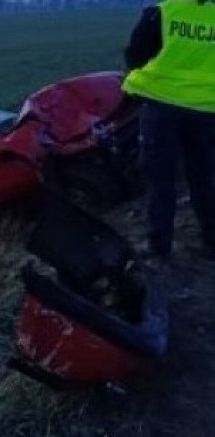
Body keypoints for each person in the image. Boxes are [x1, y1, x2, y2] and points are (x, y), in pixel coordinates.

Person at [123, 0, 215, 261]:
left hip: (163, 109)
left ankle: (159, 248)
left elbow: (135, 56)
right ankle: (212, 240)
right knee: (204, 179)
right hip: (207, 109)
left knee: (160, 180)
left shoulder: (162, 13)